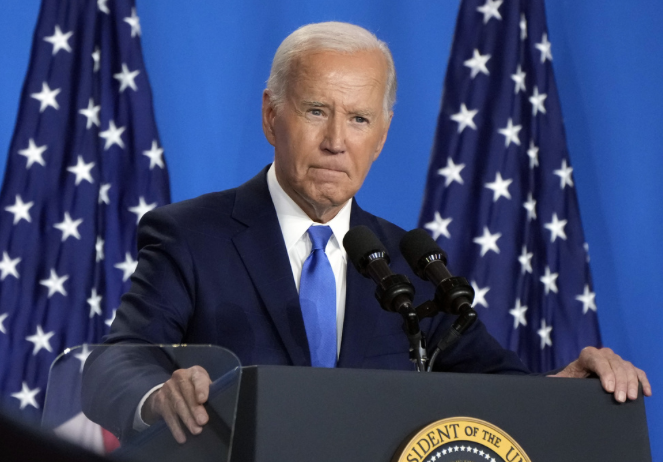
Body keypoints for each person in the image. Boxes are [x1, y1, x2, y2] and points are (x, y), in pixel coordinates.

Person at [82, 22, 651, 444]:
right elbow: (116, 361)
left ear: (381, 136)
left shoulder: (410, 264)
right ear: (270, 116)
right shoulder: (191, 236)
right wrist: (159, 396)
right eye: (315, 111)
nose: (336, 141)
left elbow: (499, 391)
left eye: (358, 119)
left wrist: (570, 385)